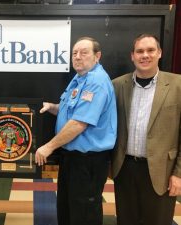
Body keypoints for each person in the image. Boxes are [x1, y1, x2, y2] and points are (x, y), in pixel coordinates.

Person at [35, 37, 117, 225]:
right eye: (74, 53)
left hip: (88, 162)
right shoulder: (80, 78)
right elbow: (71, 112)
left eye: (84, 52)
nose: (78, 57)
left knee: (84, 214)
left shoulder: (96, 82)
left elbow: (80, 123)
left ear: (97, 56)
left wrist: (49, 147)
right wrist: (52, 107)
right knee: (68, 210)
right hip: (72, 159)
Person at [111, 33, 181, 225]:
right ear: (132, 56)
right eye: (139, 51)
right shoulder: (117, 85)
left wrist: (179, 174)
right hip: (124, 169)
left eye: (150, 50)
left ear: (160, 53)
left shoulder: (178, 85)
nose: (145, 55)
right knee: (126, 220)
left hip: (162, 172)